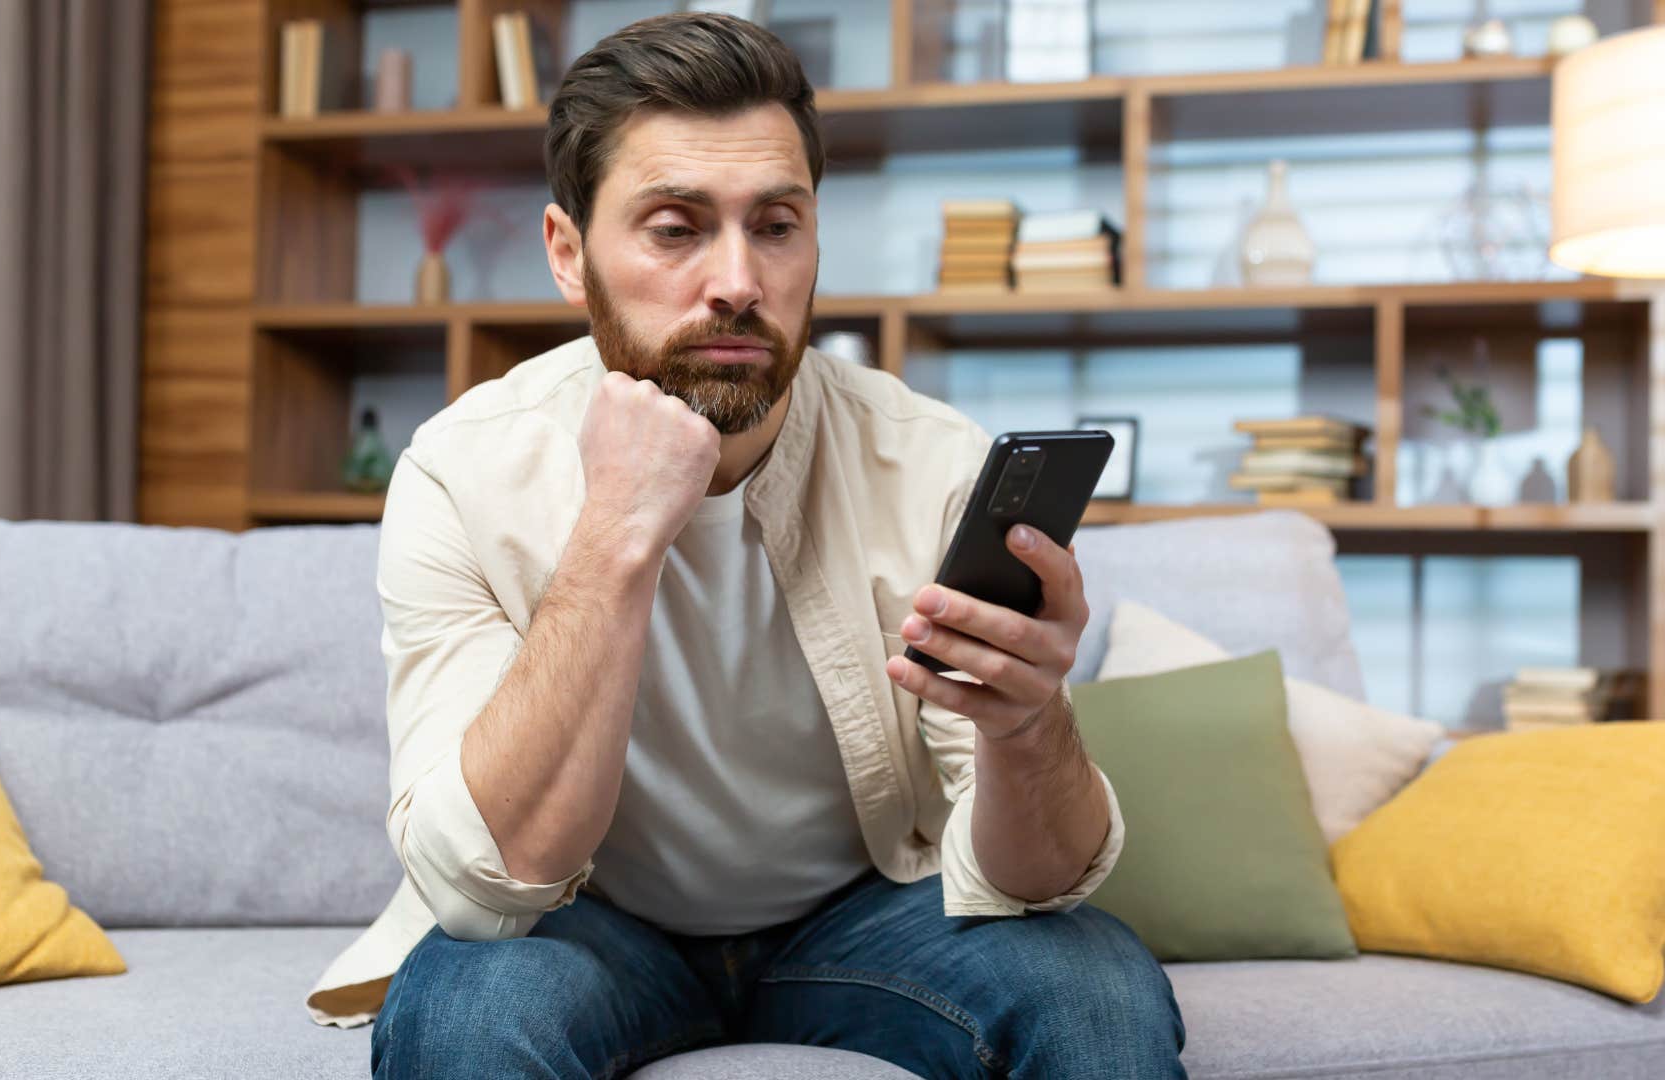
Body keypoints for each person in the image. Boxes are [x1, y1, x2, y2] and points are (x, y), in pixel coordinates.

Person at [321, 11, 1186, 1078]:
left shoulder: (934, 464)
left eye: (775, 225)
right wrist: (614, 537)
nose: (737, 278)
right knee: (461, 1013)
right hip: (592, 924)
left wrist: (1029, 725)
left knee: (1092, 990)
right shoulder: (461, 471)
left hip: (859, 917)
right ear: (566, 253)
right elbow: (489, 879)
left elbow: (1037, 880)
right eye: (676, 227)